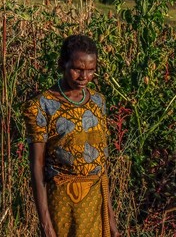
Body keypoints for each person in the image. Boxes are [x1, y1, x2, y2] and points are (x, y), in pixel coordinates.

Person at [25, 35, 121, 237]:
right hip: (61, 202)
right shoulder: (41, 106)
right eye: (77, 69)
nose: (84, 76)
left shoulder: (98, 102)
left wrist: (111, 219)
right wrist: (46, 224)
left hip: (95, 201)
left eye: (91, 70)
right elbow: (37, 165)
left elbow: (101, 163)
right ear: (63, 64)